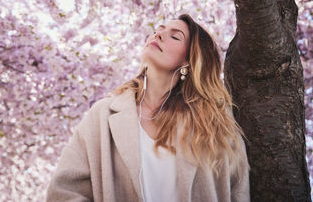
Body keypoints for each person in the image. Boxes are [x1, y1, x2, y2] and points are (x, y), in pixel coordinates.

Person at [46, 14, 250, 202]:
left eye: (175, 37)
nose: (159, 34)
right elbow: (62, 192)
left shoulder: (215, 122)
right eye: (158, 30)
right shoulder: (103, 115)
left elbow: (238, 192)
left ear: (189, 59)